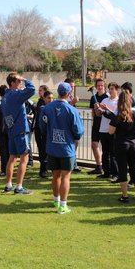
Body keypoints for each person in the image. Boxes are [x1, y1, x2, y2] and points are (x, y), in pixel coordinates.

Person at [39, 82, 84, 213]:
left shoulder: (47, 108)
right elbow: (78, 131)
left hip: (52, 146)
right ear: (69, 94)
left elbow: (42, 127)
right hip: (66, 148)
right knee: (65, 176)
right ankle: (63, 205)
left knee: (55, 175)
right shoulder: (72, 110)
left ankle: (56, 200)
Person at [1, 72, 35, 195]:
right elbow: (32, 89)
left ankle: (8, 184)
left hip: (12, 131)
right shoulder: (15, 95)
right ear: (12, 83)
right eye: (18, 81)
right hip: (20, 130)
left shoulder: (5, 96)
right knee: (24, 158)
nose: (20, 83)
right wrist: (25, 79)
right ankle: (19, 186)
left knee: (12, 158)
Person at [109, 90, 135, 202]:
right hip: (133, 144)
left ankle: (125, 196)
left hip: (121, 144)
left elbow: (111, 131)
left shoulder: (117, 115)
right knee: (134, 168)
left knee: (122, 169)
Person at [97, 82, 120, 180]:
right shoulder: (105, 99)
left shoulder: (118, 101)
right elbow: (99, 114)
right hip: (103, 129)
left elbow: (115, 116)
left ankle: (115, 173)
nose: (110, 91)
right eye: (109, 89)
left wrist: (106, 109)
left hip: (112, 130)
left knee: (113, 153)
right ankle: (106, 172)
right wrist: (98, 110)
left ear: (117, 90)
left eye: (112, 89)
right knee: (105, 152)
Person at [89, 78, 108, 174]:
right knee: (94, 145)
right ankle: (98, 166)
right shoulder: (93, 97)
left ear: (105, 86)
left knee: (106, 147)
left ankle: (107, 167)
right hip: (96, 125)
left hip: (105, 125)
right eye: (98, 85)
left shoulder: (107, 98)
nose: (100, 87)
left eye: (102, 85)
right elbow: (93, 112)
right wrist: (94, 122)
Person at [64, 78, 81, 173]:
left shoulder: (71, 96)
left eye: (73, 87)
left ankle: (74, 164)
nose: (72, 88)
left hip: (73, 126)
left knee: (75, 143)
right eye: (70, 86)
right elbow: (64, 109)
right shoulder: (65, 98)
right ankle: (71, 164)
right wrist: (72, 103)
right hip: (67, 127)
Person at [34, 85, 50, 178]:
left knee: (45, 150)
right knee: (41, 150)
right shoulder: (40, 102)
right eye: (38, 90)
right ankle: (43, 169)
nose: (39, 92)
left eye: (40, 90)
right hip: (39, 129)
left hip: (46, 130)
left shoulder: (47, 102)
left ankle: (46, 168)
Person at [25, 99, 36, 167]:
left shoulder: (29, 103)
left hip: (29, 126)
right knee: (24, 143)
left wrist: (27, 116)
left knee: (28, 143)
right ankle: (25, 160)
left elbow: (34, 113)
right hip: (22, 126)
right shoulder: (19, 101)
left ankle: (30, 161)